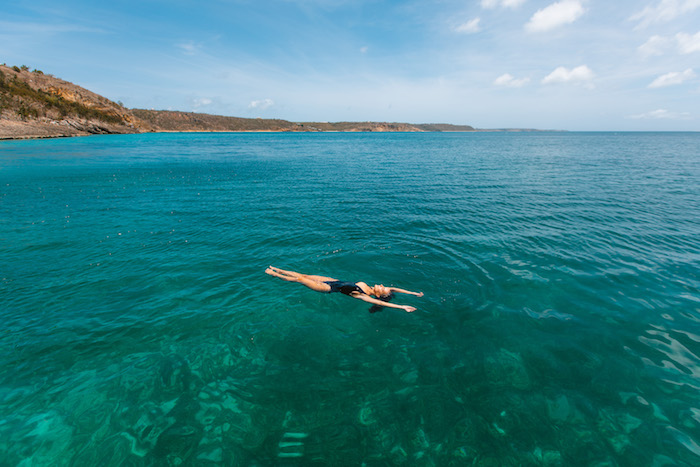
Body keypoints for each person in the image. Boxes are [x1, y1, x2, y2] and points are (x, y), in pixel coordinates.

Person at [265, 266, 423, 313]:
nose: (382, 285)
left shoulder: (364, 296)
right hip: (334, 280)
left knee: (300, 280)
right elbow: (395, 289)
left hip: (327, 288)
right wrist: (413, 293)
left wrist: (402, 307)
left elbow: (386, 303)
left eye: (382, 288)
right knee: (303, 274)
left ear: (379, 294)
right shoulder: (375, 288)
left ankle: (273, 275)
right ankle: (279, 270)